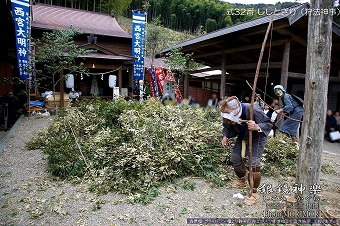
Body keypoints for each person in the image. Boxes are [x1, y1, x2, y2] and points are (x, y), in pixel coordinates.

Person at [220, 96, 272, 206]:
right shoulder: (227, 112)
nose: (228, 120)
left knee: (253, 165)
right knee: (235, 159)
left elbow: (268, 124)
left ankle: (253, 192)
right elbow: (226, 125)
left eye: (230, 118)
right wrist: (225, 136)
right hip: (242, 135)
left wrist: (257, 126)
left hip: (257, 137)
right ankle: (241, 180)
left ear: (236, 112)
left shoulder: (253, 109)